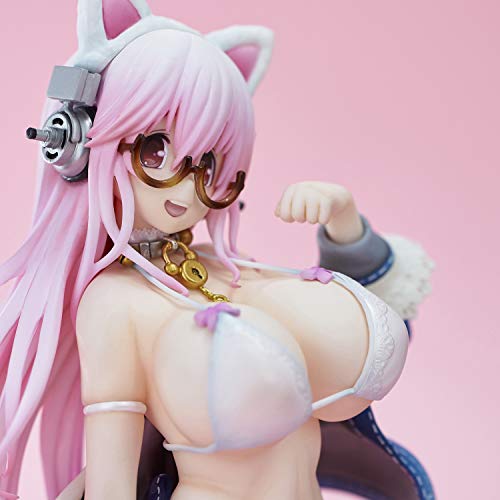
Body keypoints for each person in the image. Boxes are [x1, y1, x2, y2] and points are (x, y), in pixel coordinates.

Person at [0, 1, 434, 499]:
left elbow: (365, 327)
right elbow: (111, 483)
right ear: (78, 145)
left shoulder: (222, 265)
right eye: (156, 151)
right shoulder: (112, 304)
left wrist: (344, 226)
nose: (189, 190)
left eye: (209, 166)